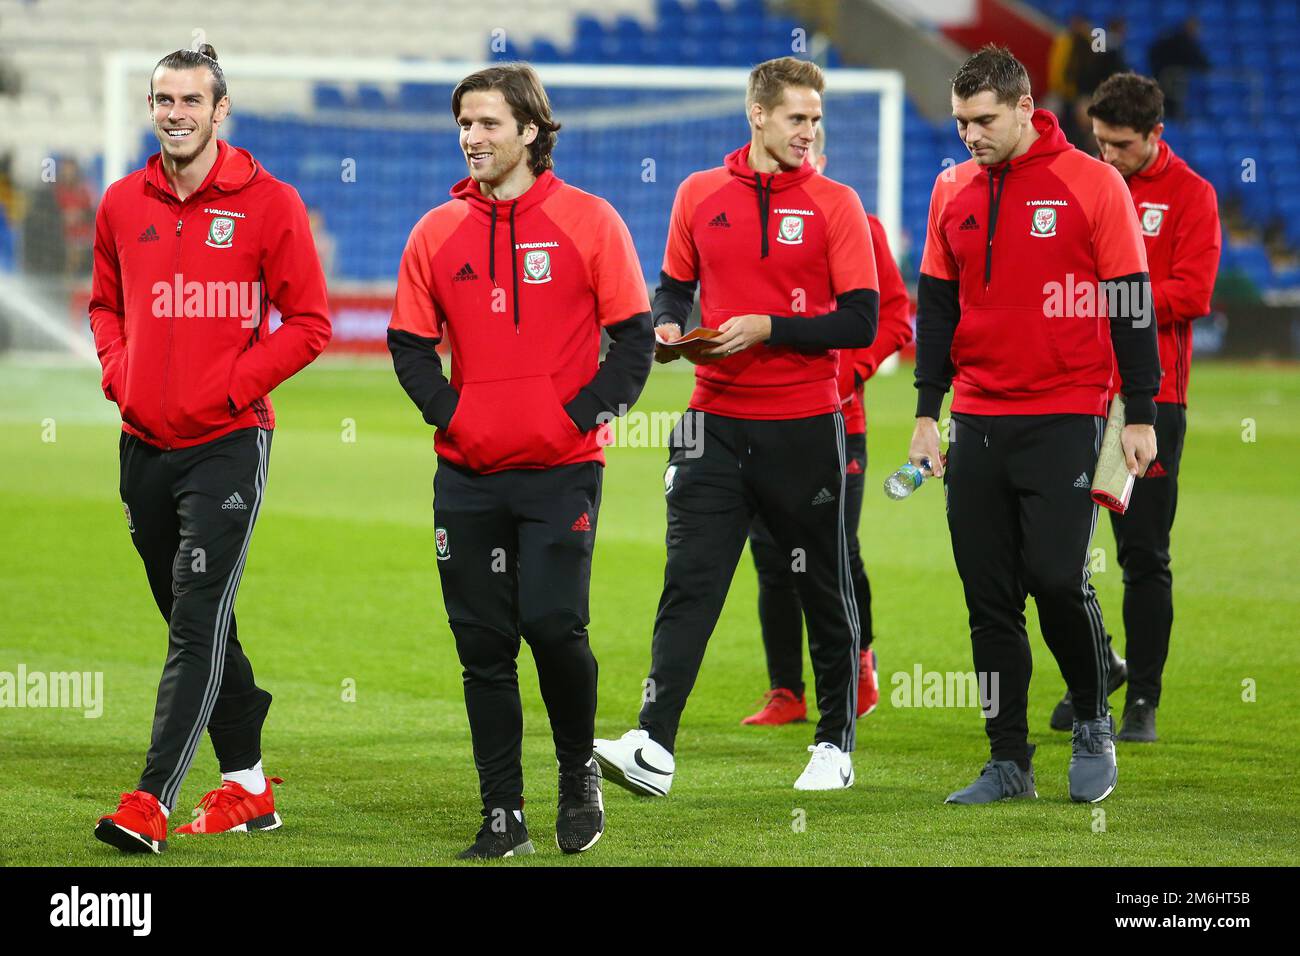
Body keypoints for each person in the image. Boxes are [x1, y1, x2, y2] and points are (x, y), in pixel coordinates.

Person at [388, 64, 653, 859]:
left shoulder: (590, 221)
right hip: (466, 473)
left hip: (561, 470)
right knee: (482, 647)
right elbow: (408, 346)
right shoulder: (435, 231)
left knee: (552, 625)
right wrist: (454, 415)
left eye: (488, 124)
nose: (472, 137)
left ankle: (578, 772)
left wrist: (574, 418)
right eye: (464, 124)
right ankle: (502, 814)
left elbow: (634, 342)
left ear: (531, 131)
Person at [594, 57, 879, 794]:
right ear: (757, 115)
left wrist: (769, 327)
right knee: (689, 582)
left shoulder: (839, 204)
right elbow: (676, 288)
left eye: (816, 120)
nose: (809, 133)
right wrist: (665, 326)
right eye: (796, 118)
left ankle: (834, 745)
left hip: (807, 426)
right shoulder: (697, 193)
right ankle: (653, 744)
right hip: (709, 422)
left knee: (825, 583)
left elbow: (861, 319)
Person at [90, 45, 332, 853]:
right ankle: (250, 788)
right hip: (141, 446)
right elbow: (103, 304)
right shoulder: (123, 202)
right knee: (198, 619)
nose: (176, 113)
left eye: (192, 100)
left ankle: (148, 800)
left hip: (228, 444)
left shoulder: (271, 204)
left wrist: (229, 388)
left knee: (195, 620)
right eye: (164, 99)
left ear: (221, 110)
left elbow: (309, 324)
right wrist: (121, 376)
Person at [909, 45, 1160, 805]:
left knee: (1055, 576)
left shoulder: (1094, 183)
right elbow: (937, 307)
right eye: (959, 122)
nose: (969, 136)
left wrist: (1141, 415)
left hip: (1067, 411)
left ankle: (1092, 719)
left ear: (1025, 108)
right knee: (988, 597)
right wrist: (927, 413)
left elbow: (1130, 301)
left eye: (983, 120)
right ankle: (1008, 759)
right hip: (978, 418)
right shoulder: (951, 187)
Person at [1046, 72, 1220, 742]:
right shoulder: (1087, 185)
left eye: (1121, 144)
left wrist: (1112, 295)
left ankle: (1143, 697)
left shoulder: (1191, 197)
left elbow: (1193, 293)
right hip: (1071, 390)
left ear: (1155, 135)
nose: (1108, 156)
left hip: (1147, 401)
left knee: (1141, 553)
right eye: (1099, 142)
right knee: (1057, 557)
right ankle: (1097, 671)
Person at [741, 123, 913, 727]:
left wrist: (849, 372)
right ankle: (786, 689)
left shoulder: (857, 225)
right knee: (769, 553)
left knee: (835, 548)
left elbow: (895, 318)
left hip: (839, 420)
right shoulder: (749, 223)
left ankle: (858, 661)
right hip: (761, 417)